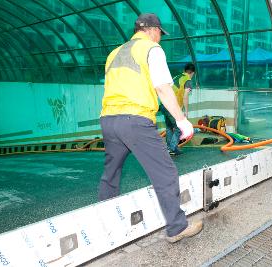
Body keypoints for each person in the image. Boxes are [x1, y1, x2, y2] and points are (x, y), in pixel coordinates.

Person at [98, 13, 202, 243]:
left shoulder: (114, 53)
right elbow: (163, 88)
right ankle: (177, 227)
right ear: (154, 30)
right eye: (160, 35)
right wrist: (182, 120)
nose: (160, 39)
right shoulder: (151, 49)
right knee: (165, 172)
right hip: (135, 120)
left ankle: (105, 229)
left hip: (108, 119)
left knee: (110, 175)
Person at [159, 63, 195, 155]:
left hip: (164, 104)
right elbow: (185, 97)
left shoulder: (176, 77)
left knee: (170, 127)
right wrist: (186, 112)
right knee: (180, 128)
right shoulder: (188, 80)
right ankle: (171, 148)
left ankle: (170, 148)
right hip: (172, 107)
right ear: (193, 73)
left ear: (184, 70)